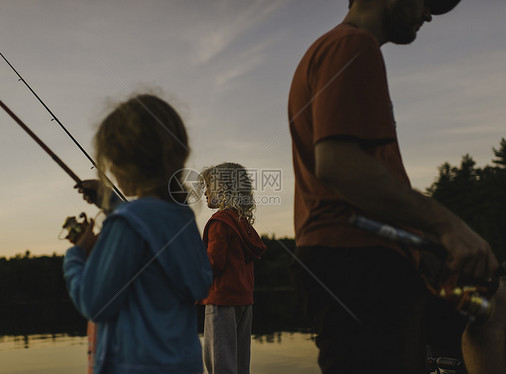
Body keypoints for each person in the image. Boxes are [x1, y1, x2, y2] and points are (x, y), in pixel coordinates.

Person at [287, 1, 499, 373]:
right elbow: (339, 164)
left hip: (363, 260)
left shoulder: (337, 49)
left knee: (493, 309)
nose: (429, 14)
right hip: (359, 262)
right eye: (426, 1)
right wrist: (449, 226)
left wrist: (424, 248)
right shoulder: (351, 45)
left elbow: (364, 172)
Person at [63, 93, 213, 374]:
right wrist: (111, 202)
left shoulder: (127, 223)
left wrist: (76, 255)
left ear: (124, 163)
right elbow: (150, 228)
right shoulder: (181, 218)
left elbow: (95, 303)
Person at [198, 162, 266, 374]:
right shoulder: (242, 223)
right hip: (245, 302)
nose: (205, 193)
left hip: (221, 302)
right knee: (239, 364)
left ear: (222, 188)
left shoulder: (219, 222)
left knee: (220, 365)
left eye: (209, 187)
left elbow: (213, 264)